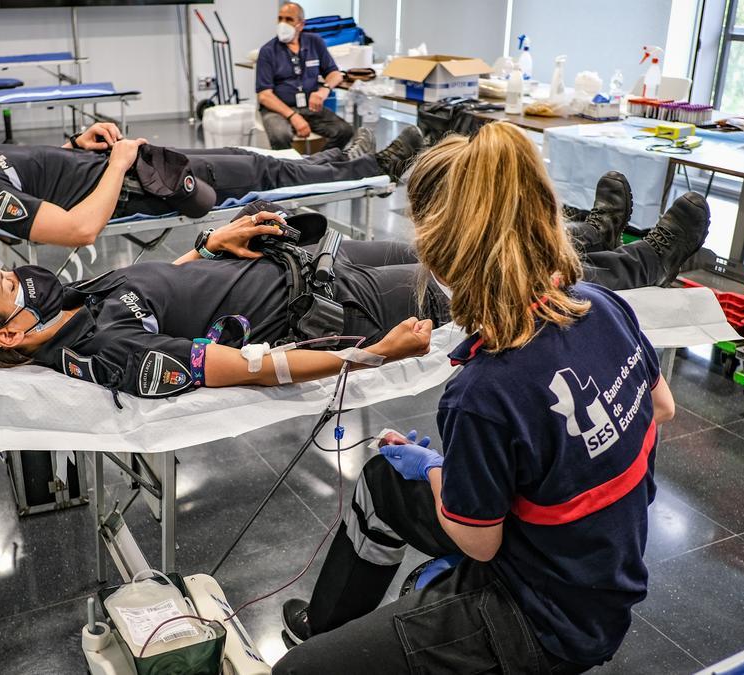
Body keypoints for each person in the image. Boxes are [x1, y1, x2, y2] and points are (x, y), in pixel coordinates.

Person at [273, 123, 685, 674]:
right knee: (383, 482)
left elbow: (480, 543)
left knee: (296, 673)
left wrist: (441, 470)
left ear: (441, 260)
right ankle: (330, 627)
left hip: (541, 619)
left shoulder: (483, 389)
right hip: (603, 570)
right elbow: (661, 409)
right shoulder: (600, 303)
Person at [0, 148, 708, 402]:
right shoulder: (102, 351)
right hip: (335, 306)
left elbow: (156, 292)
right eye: (1, 284)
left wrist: (211, 250)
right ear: (6, 332)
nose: (16, 275)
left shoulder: (67, 313)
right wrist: (374, 356)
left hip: (306, 264)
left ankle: (591, 233)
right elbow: (256, 365)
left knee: (466, 249)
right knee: (498, 283)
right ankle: (640, 260)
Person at [0, 118, 421, 247]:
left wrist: (78, 145)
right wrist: (117, 165)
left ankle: (346, 158)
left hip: (131, 164)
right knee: (266, 173)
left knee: (251, 156)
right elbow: (75, 229)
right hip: (140, 184)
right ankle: (374, 169)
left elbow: (42, 172)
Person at [256, 2, 355, 151]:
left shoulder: (314, 42)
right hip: (278, 110)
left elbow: (335, 74)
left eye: (289, 19)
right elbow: (264, 96)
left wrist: (324, 90)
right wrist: (293, 116)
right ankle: (288, 171)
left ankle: (317, 165)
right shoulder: (268, 51)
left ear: (301, 24)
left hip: (309, 107)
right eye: (280, 19)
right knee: (280, 135)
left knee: (344, 131)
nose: (283, 24)